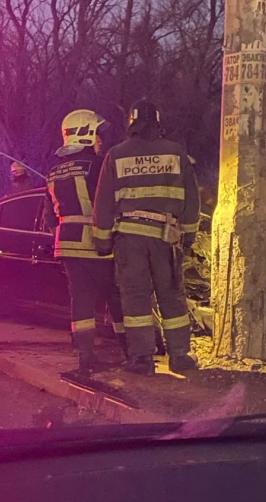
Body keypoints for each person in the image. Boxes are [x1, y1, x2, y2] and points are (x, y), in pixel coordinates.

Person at [92, 99, 200, 377]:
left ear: (131, 124)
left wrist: (102, 240)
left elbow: (103, 202)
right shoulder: (176, 154)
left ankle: (142, 358)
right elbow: (191, 198)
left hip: (130, 239)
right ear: (158, 121)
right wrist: (188, 236)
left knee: (136, 298)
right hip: (167, 238)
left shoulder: (116, 155)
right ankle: (180, 355)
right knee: (172, 296)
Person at [44, 110, 125, 373]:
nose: (101, 139)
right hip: (96, 242)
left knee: (81, 299)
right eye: (98, 134)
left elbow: (50, 218)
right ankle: (130, 348)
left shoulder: (53, 172)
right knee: (116, 295)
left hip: (66, 245)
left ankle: (85, 354)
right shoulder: (99, 164)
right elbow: (113, 200)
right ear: (86, 134)